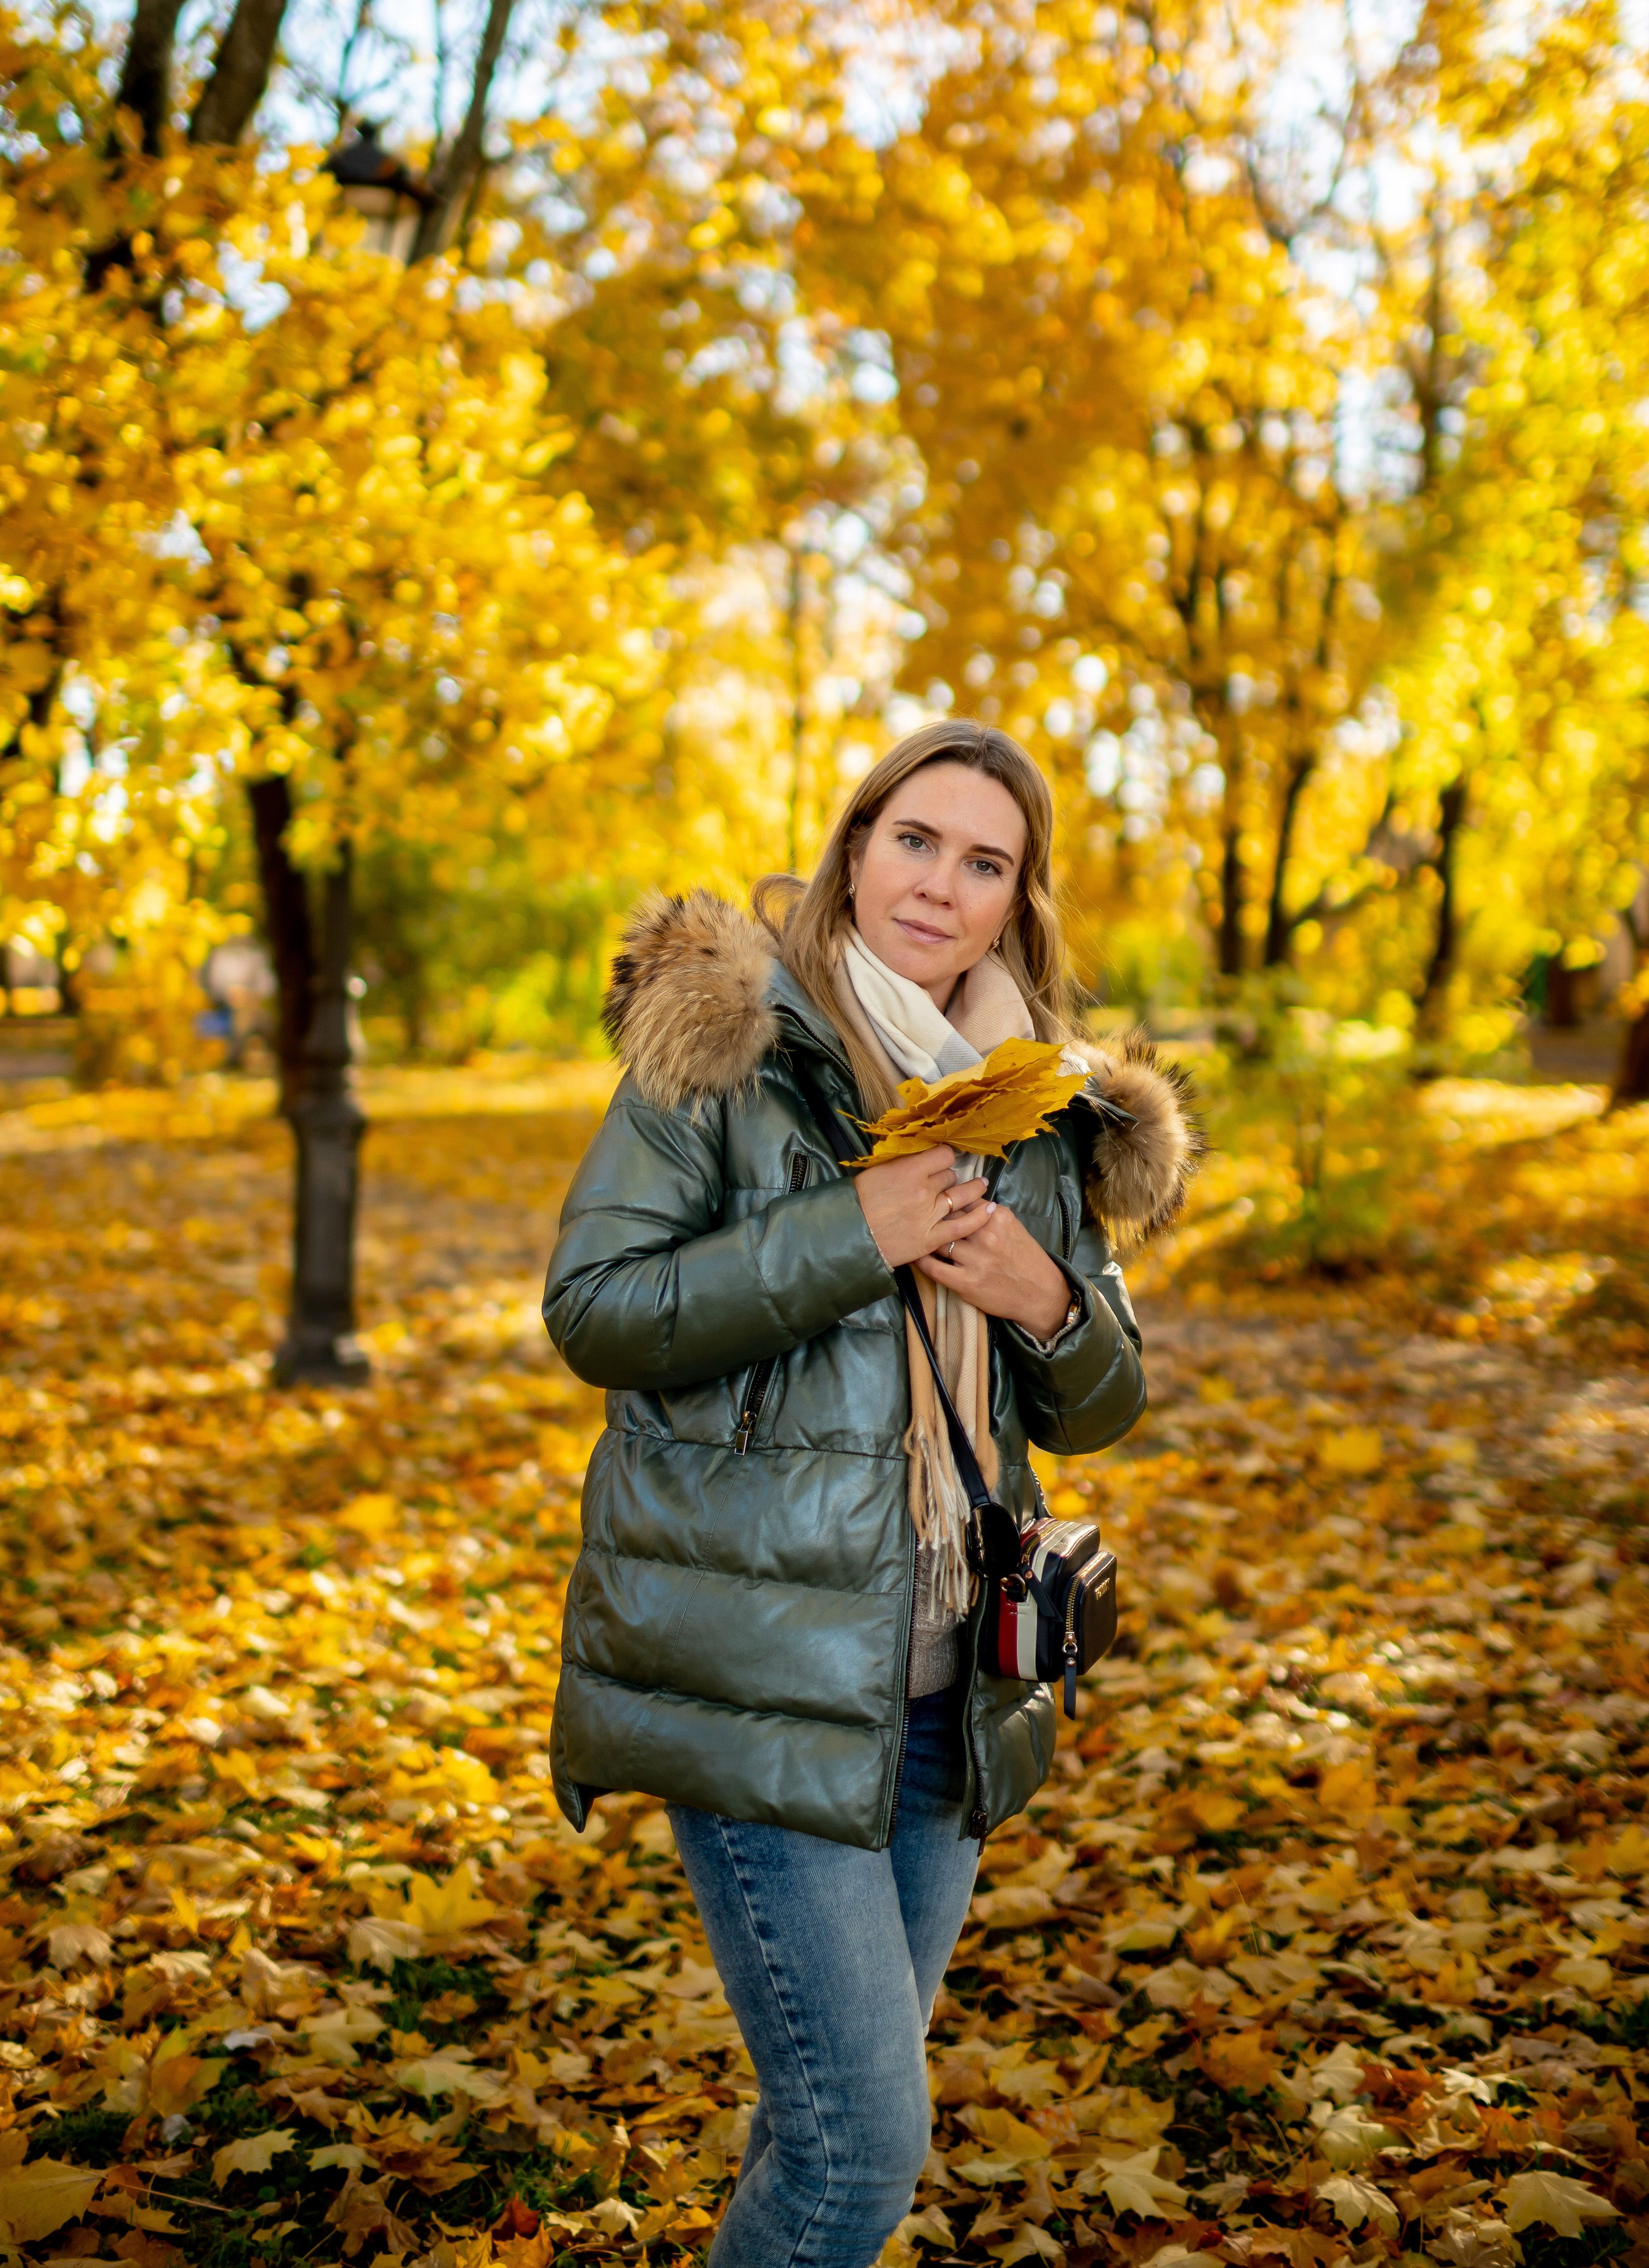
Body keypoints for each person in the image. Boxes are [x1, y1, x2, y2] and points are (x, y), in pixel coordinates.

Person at [542, 721, 1195, 2268]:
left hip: (952, 1685)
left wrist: (1046, 1295)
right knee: (859, 2152)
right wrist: (852, 1229)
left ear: (1016, 901)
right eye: (916, 840)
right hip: (766, 1678)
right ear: (854, 846)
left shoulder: (1036, 1102)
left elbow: (1100, 1403)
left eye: (985, 862)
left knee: (823, 2118)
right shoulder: (729, 1047)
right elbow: (597, 1308)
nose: (940, 885)